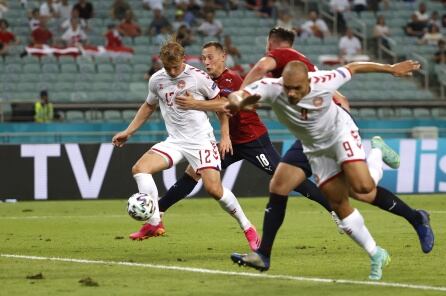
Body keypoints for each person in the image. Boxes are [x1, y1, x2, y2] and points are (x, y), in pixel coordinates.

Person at [230, 26, 433, 275]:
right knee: (315, 196)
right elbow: (241, 96)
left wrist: (391, 69)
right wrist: (237, 101)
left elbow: (355, 67)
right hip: (313, 147)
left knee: (363, 190)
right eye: (288, 88)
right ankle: (264, 256)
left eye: (297, 88)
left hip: (340, 134)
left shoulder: (324, 80)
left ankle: (386, 168)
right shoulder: (272, 87)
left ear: (309, 81)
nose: (291, 94)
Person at [135, 41, 334, 250]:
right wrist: (223, 134)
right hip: (226, 143)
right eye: (203, 58)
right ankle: (157, 216)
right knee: (193, 175)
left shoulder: (233, 79)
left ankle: (332, 208)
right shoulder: (200, 80)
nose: (206, 62)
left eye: (210, 57)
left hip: (251, 140)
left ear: (223, 57)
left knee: (286, 179)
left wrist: (202, 109)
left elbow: (238, 105)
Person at [112, 40, 260, 251]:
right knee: (140, 169)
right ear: (161, 62)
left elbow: (223, 104)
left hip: (201, 141)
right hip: (175, 141)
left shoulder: (198, 77)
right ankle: (155, 222)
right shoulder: (156, 80)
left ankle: (248, 227)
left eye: (175, 66)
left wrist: (224, 135)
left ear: (183, 59)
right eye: (167, 67)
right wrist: (128, 131)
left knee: (214, 189)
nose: (172, 71)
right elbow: (148, 106)